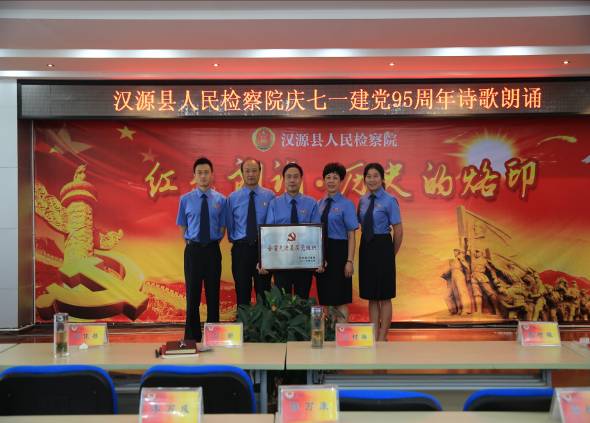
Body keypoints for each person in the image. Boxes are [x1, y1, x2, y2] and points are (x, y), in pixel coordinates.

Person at [176, 157, 227, 341]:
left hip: (212, 251)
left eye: (206, 172)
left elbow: (222, 228)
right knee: (193, 294)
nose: (203, 176)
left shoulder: (221, 200)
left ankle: (213, 336)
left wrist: (211, 243)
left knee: (213, 294)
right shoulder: (185, 199)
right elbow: (183, 226)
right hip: (193, 251)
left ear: (212, 175)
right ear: (194, 176)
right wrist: (192, 243)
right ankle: (192, 337)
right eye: (200, 173)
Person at [357, 163, 403, 341]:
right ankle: (374, 335)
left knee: (384, 296)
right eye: (368, 176)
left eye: (375, 176)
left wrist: (391, 253)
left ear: (382, 179)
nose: (372, 179)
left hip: (383, 246)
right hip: (366, 247)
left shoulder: (390, 200)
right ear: (364, 179)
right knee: (371, 296)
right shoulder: (362, 201)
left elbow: (398, 230)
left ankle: (383, 336)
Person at [265, 162, 320, 299]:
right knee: (282, 302)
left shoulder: (311, 203)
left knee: (302, 301)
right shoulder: (274, 203)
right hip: (281, 262)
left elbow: (317, 234)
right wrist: (265, 261)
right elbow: (269, 234)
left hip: (304, 261)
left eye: (296, 177)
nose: (292, 180)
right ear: (284, 179)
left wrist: (319, 259)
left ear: (301, 179)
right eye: (289, 177)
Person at [226, 158, 275, 305]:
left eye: (254, 171)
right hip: (241, 250)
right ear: (242, 173)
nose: (251, 174)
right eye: (247, 171)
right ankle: (243, 319)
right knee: (242, 292)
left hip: (263, 249)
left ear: (260, 172)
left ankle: (263, 321)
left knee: (264, 293)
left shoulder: (270, 196)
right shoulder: (233, 198)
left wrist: (267, 251)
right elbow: (230, 225)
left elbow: (272, 226)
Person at [316, 163, 358, 322]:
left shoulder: (347, 204)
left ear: (341, 181)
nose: (331, 181)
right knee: (325, 299)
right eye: (328, 177)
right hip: (322, 253)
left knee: (340, 299)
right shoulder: (319, 204)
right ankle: (328, 333)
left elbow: (351, 235)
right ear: (324, 180)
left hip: (339, 253)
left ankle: (342, 334)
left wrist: (349, 261)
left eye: (335, 178)